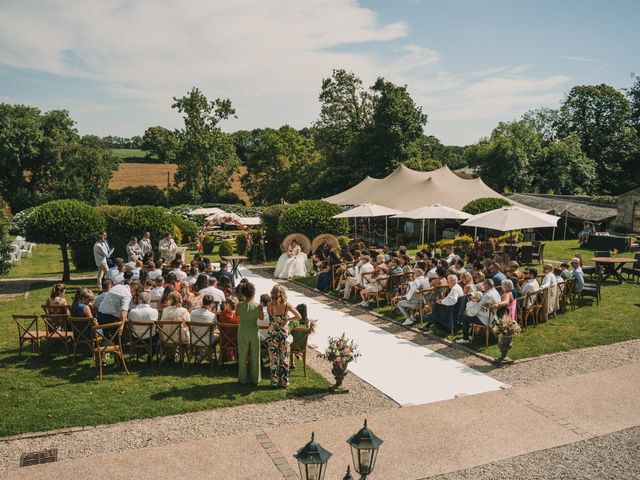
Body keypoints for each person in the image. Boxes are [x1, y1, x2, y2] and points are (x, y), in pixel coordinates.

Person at [263, 284, 301, 388]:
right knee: (284, 358)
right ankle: (284, 382)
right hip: (283, 334)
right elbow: (299, 316)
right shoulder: (287, 305)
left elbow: (271, 317)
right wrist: (288, 319)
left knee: (273, 358)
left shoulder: (269, 305)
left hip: (273, 334)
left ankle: (274, 382)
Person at [456, 279, 502, 344]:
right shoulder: (495, 292)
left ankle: (465, 338)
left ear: (487, 285)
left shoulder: (487, 295)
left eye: (484, 284)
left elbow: (476, 309)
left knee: (464, 317)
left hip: (485, 319)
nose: (483, 286)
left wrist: (467, 312)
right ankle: (471, 335)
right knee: (471, 315)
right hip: (493, 317)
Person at [237, 282, 261, 385]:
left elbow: (236, 314)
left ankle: (242, 378)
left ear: (243, 293)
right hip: (254, 330)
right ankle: (255, 379)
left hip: (243, 330)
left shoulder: (239, 305)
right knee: (255, 354)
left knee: (242, 354)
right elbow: (261, 318)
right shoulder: (258, 306)